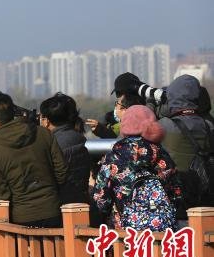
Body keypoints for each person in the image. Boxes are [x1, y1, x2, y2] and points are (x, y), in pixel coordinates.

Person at [0, 93, 67, 227]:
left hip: (21, 218)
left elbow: (1, 193)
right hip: (53, 210)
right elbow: (62, 171)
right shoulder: (43, 133)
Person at [92, 105, 181, 231]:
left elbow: (101, 198)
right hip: (162, 229)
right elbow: (176, 192)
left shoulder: (113, 157)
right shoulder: (161, 153)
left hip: (126, 233)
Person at [159, 74, 214, 213]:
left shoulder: (164, 125)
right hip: (204, 197)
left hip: (176, 199)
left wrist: (151, 106)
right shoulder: (208, 125)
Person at [39, 93, 91, 205]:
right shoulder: (78, 138)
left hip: (58, 206)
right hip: (80, 203)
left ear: (46, 121)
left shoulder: (52, 144)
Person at [85, 73, 146, 138]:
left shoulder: (145, 115)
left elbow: (115, 131)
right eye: (117, 93)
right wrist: (100, 129)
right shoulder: (110, 118)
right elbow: (112, 132)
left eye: (119, 93)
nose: (118, 97)